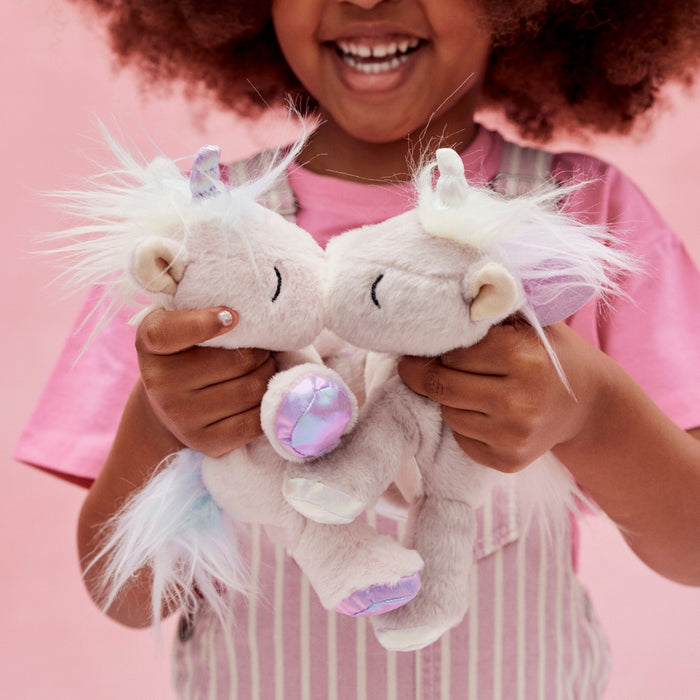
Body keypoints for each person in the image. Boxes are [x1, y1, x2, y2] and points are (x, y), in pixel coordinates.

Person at [15, 0, 700, 697]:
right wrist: (163, 420)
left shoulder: (579, 223)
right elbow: (125, 598)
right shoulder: (189, 241)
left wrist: (593, 411)